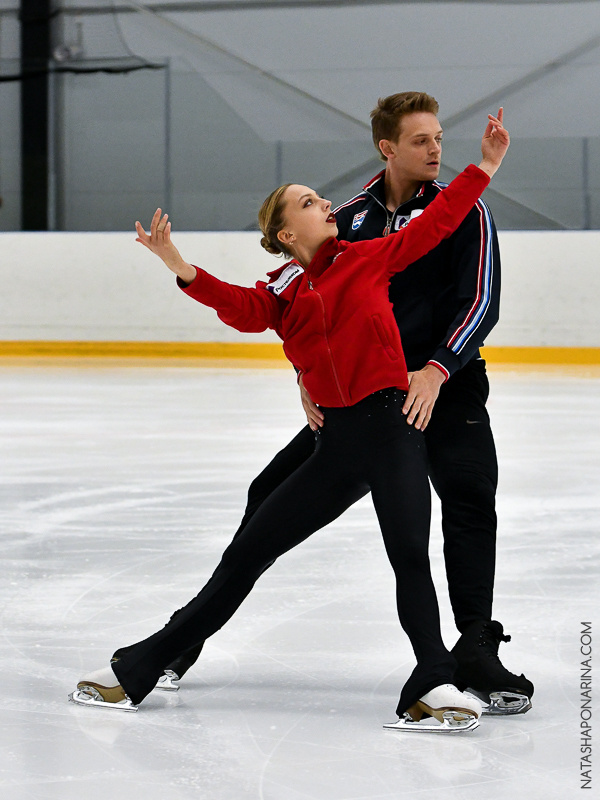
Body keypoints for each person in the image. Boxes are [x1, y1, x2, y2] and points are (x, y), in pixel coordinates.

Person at [70, 112, 508, 733]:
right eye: (309, 202)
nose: (326, 204)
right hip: (335, 446)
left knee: (410, 557)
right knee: (246, 556)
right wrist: (180, 266)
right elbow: (243, 308)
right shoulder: (286, 294)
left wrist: (484, 167)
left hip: (392, 432)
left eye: (320, 198)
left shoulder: (369, 258)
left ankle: (432, 682)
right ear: (284, 232)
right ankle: (142, 664)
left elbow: (439, 222)